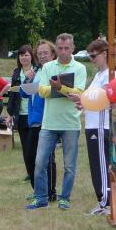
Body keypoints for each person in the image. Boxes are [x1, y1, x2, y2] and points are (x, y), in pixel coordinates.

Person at [27, 33, 86, 210]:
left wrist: (59, 87)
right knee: (40, 163)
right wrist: (65, 91)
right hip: (49, 123)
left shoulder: (80, 68)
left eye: (67, 48)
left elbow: (79, 93)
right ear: (56, 49)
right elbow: (42, 91)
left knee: (69, 165)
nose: (63, 51)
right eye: (60, 48)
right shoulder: (48, 67)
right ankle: (41, 198)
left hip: (70, 124)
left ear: (73, 48)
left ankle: (64, 198)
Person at [78, 40, 112, 216]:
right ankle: (102, 201)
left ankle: (107, 203)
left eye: (93, 56)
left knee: (101, 164)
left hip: (100, 125)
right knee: (95, 165)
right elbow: (91, 98)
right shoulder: (99, 75)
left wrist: (82, 99)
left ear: (104, 53)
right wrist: (81, 102)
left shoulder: (110, 74)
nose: (91, 59)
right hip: (92, 124)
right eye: (89, 56)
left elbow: (103, 96)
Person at [23, 40, 58, 203]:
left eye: (46, 53)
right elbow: (24, 94)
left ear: (53, 54)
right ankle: (37, 190)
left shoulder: (55, 71)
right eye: (40, 53)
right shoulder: (36, 71)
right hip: (34, 120)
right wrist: (27, 81)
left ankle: (50, 192)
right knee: (30, 157)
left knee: (46, 159)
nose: (42, 56)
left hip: (48, 120)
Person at [6, 45, 39, 181]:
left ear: (31, 56)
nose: (24, 58)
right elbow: (13, 94)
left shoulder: (38, 71)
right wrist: (10, 114)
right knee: (25, 146)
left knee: (35, 146)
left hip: (34, 113)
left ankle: (38, 172)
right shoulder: (16, 73)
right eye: (21, 55)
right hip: (21, 114)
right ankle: (30, 172)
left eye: (26, 55)